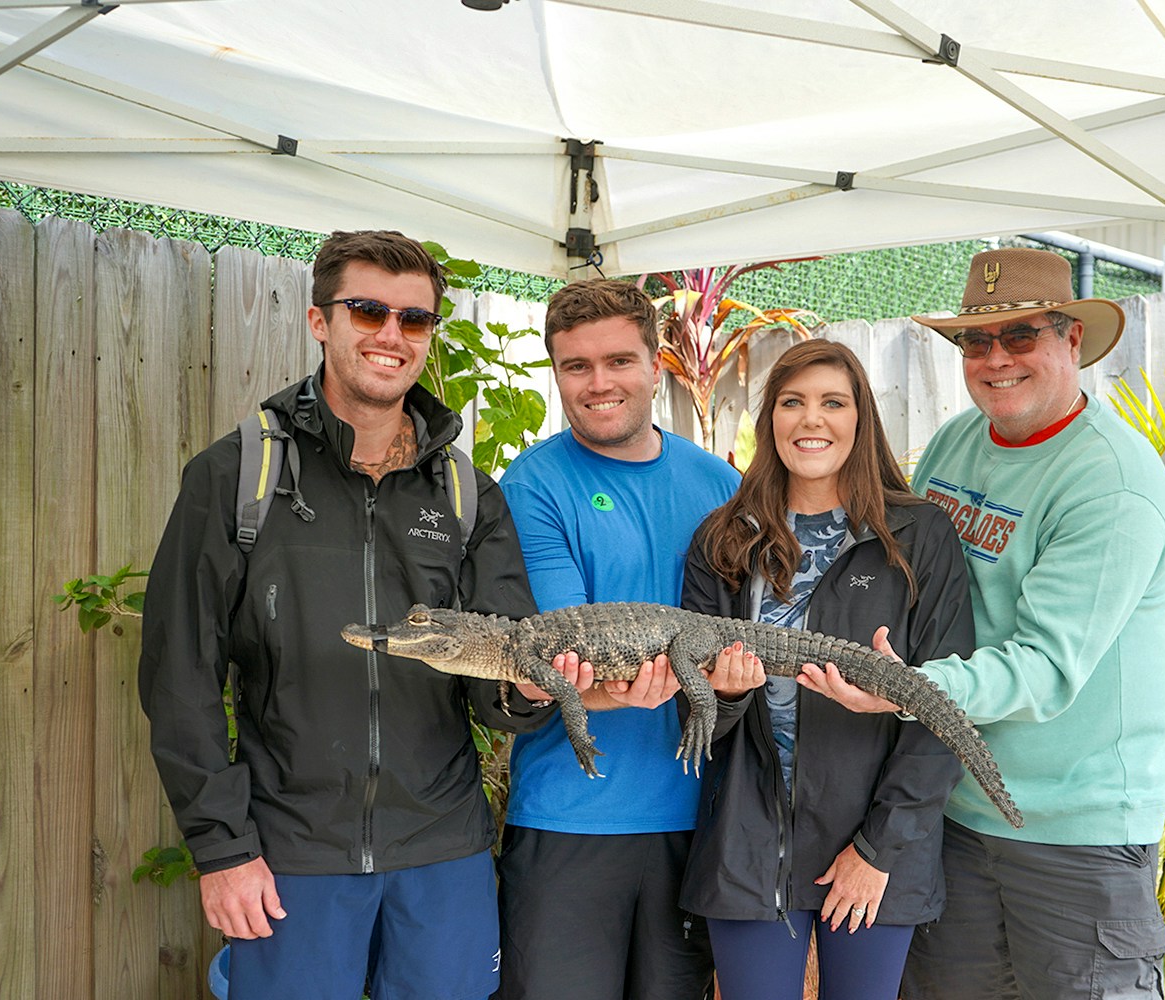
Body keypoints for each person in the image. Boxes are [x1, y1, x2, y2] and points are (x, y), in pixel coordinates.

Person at [139, 230, 556, 1000]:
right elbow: (180, 679)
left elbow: (496, 680)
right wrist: (223, 849)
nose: (391, 335)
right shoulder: (236, 477)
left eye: (415, 319)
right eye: (367, 311)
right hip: (292, 852)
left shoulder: (468, 496)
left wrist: (529, 692)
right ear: (319, 321)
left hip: (443, 853)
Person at [798, 247, 1165, 1000]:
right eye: (977, 341)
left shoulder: (1111, 483)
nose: (996, 359)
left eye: (1020, 336)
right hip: (957, 815)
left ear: (1072, 340)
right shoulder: (955, 446)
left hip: (1078, 832)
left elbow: (1044, 667)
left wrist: (900, 687)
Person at [679, 339, 974, 1000]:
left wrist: (881, 849)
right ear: (770, 421)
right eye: (793, 403)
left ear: (860, 419)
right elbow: (693, 715)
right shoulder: (723, 538)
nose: (811, 420)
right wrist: (723, 697)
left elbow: (948, 707)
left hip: (875, 845)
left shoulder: (919, 537)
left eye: (832, 403)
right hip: (750, 847)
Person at [495, 278, 739, 1000]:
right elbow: (573, 654)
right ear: (557, 375)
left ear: (656, 365)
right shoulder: (534, 484)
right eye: (576, 366)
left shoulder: (721, 483)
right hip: (568, 813)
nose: (599, 383)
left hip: (696, 817)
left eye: (619, 361)